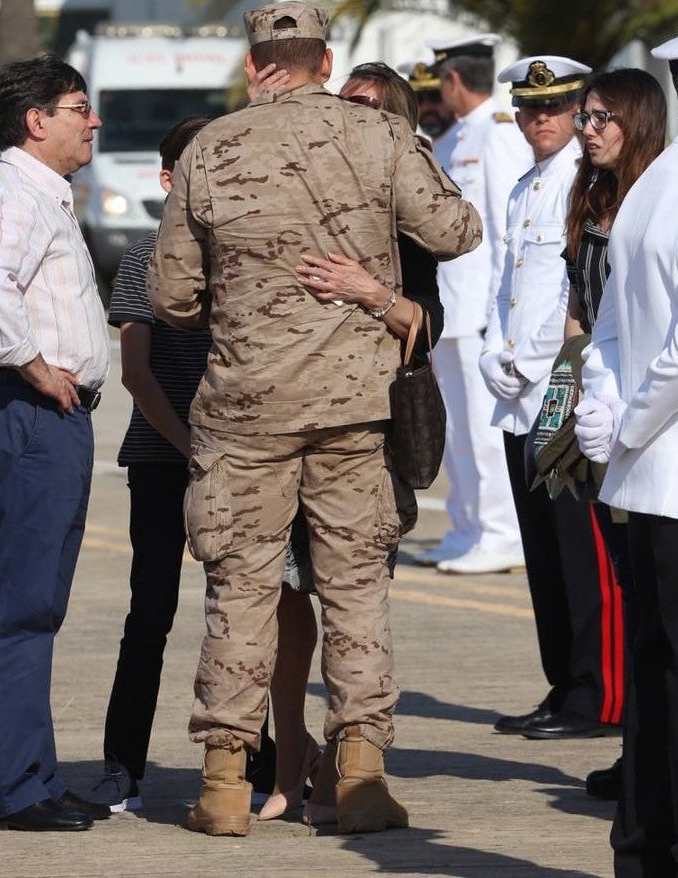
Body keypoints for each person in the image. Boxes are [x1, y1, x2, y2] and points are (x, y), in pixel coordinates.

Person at [148, 1, 482, 838]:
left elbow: (170, 296)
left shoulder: (210, 149)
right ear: (325, 63)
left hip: (244, 414)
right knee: (356, 592)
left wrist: (243, 305)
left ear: (254, 61)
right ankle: (361, 774)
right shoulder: (378, 136)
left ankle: (226, 784)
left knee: (240, 591)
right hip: (351, 410)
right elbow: (457, 229)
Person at [245, 60, 445, 825]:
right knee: (288, 603)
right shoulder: (296, 188)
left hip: (369, 434)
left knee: (355, 604)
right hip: (287, 427)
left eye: (364, 110)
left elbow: (429, 325)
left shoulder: (404, 205)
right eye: (341, 107)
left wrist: (373, 295)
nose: (346, 123)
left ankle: (353, 765)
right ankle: (290, 761)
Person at [576, 18, 678, 878]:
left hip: (642, 487)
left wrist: (607, 422)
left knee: (657, 683)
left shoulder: (654, 183)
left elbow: (607, 327)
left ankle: (643, 857)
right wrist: (632, 424)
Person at [0, 54, 111, 832]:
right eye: (80, 106)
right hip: (30, 413)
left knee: (37, 604)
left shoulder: (41, 192)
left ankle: (35, 776)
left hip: (47, 414)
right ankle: (18, 791)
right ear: (36, 120)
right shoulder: (15, 192)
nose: (94, 121)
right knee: (20, 608)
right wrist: (37, 366)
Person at [480, 55, 624, 740]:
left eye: (557, 107)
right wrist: (492, 355)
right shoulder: (521, 188)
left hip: (564, 384)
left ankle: (599, 693)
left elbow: (578, 294)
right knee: (543, 551)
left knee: (581, 550)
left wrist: (530, 359)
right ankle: (565, 681)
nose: (542, 119)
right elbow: (502, 284)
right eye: (531, 108)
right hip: (516, 392)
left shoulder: (590, 188)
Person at [87, 116, 212, 813]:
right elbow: (136, 373)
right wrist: (191, 446)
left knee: (243, 618)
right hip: (164, 457)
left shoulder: (247, 253)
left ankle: (255, 761)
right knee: (152, 611)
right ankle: (121, 764)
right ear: (168, 179)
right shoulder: (143, 257)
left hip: (242, 463)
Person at [562, 68, 667, 800]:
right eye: (585, 117)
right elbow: (579, 301)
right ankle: (640, 751)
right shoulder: (591, 196)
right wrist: (562, 402)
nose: (589, 129)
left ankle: (654, 757)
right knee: (623, 581)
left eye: (603, 117)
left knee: (653, 591)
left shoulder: (658, 197)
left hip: (644, 409)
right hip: (592, 393)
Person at [422, 34, 531, 574]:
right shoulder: (457, 137)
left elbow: (510, 231)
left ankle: (502, 534)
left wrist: (498, 315)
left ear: (455, 81)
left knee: (486, 433)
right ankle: (467, 528)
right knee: (458, 432)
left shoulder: (498, 134)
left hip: (480, 312)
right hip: (451, 310)